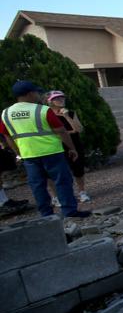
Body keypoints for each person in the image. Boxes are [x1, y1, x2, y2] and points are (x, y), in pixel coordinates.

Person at [0, 81, 91, 217]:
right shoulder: (41, 110)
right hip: (52, 152)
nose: (38, 95)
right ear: (30, 94)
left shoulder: (6, 113)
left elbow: (7, 136)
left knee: (37, 186)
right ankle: (70, 210)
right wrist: (72, 148)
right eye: (37, 92)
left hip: (29, 155)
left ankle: (46, 214)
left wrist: (18, 153)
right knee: (62, 181)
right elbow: (61, 130)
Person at [46, 90, 91, 203]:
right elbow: (52, 132)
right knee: (55, 173)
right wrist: (69, 131)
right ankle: (56, 196)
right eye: (57, 98)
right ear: (50, 101)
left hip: (75, 144)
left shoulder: (70, 113)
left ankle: (82, 192)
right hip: (57, 146)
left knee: (78, 169)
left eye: (62, 98)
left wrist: (66, 117)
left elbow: (79, 129)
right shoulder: (47, 114)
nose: (61, 100)